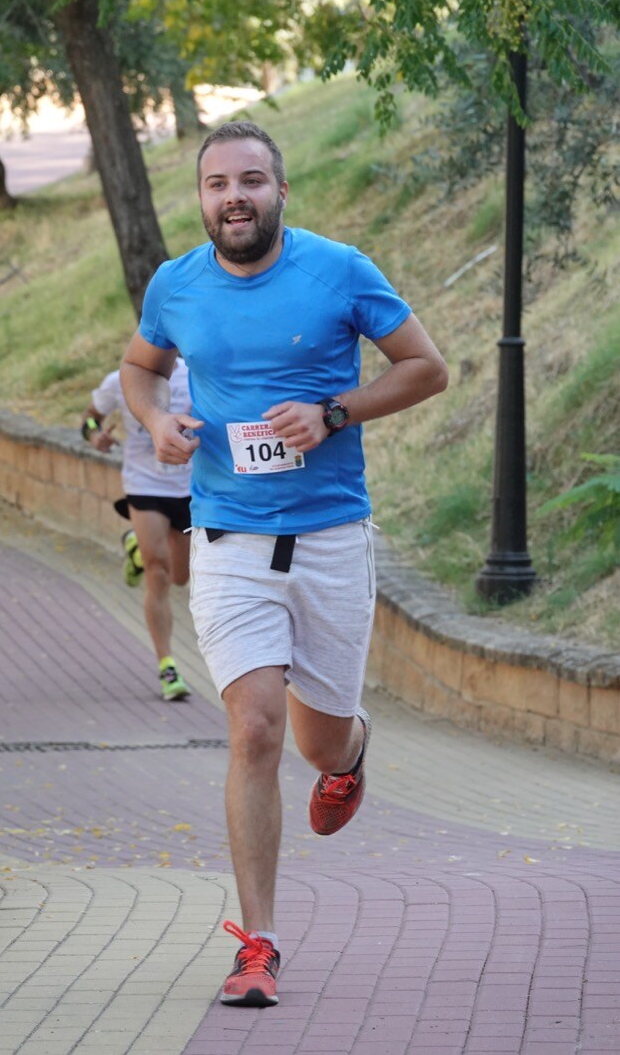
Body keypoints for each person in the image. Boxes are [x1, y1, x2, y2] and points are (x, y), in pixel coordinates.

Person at [119, 120, 448, 1006]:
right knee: (255, 728)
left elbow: (427, 367)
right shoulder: (175, 284)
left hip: (332, 540)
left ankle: (351, 750)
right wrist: (155, 421)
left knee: (316, 742)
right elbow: (139, 368)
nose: (235, 197)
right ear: (201, 198)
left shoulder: (337, 269)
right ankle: (256, 943)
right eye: (218, 183)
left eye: (252, 181)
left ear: (280, 192)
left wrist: (336, 412)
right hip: (228, 541)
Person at [81, 360, 193, 701]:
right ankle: (167, 665)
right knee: (158, 570)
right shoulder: (120, 380)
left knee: (179, 577)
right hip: (145, 484)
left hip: (190, 486)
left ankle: (135, 547)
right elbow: (89, 420)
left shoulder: (198, 372)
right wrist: (95, 435)